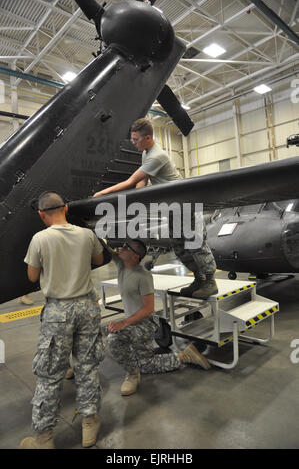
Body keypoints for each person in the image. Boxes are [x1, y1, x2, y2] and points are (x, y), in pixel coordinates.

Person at [93, 117, 218, 300]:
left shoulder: (156, 156)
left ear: (148, 138)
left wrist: (101, 194)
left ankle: (210, 281)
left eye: (136, 139)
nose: (133, 143)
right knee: (179, 245)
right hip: (173, 207)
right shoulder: (146, 152)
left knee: (195, 243)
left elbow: (131, 181)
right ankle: (199, 278)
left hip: (186, 204)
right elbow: (141, 182)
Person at [19, 192, 106, 449]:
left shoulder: (40, 239)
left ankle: (44, 438)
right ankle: (89, 424)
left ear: (41, 214)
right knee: (87, 366)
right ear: (66, 209)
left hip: (58, 312)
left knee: (50, 374)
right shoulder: (86, 235)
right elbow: (99, 260)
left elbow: (33, 276)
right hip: (88, 308)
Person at [106, 238, 211, 397]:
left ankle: (132, 375)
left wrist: (124, 323)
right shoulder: (121, 265)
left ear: (136, 256)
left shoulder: (143, 276)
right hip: (133, 323)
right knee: (146, 365)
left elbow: (149, 309)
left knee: (114, 339)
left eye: (127, 247)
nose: (122, 248)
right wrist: (89, 232)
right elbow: (107, 250)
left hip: (145, 324)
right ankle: (185, 356)